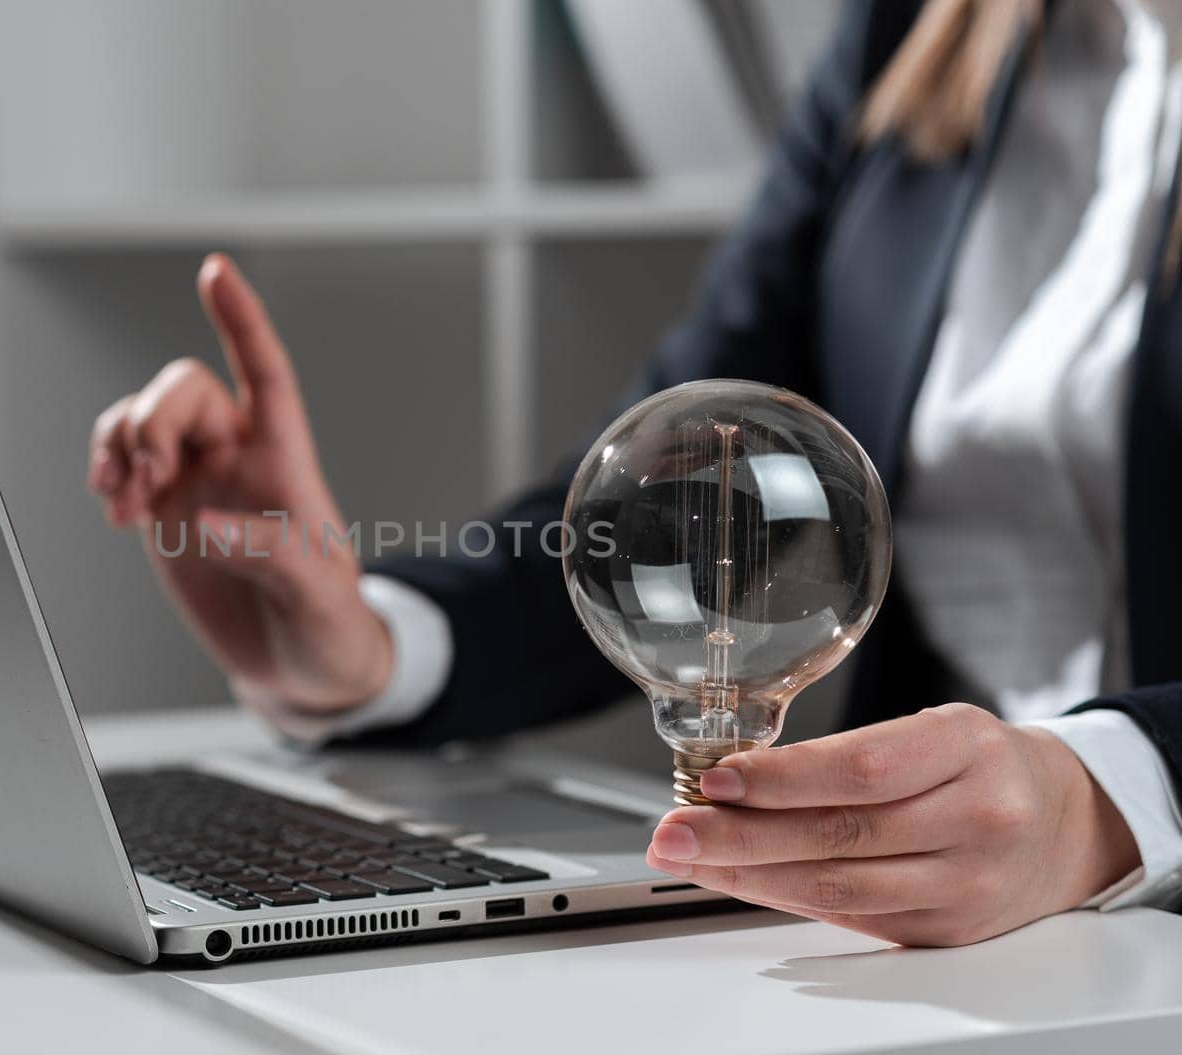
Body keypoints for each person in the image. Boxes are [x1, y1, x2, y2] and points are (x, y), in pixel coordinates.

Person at [87, 0, 1182, 947]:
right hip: (928, 957)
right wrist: (369, 646)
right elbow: (675, 482)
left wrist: (1110, 797)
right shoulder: (907, 36)